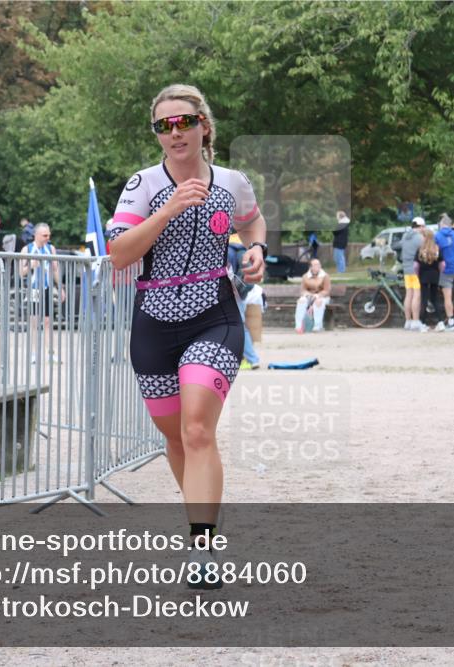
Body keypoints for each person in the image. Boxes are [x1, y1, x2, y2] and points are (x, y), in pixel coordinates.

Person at [107, 83, 266, 587]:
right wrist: (169, 208)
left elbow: (252, 219)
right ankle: (205, 514)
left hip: (212, 314)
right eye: (164, 125)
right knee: (176, 438)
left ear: (203, 127)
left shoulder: (233, 181)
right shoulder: (143, 185)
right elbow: (119, 255)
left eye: (184, 122)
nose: (175, 132)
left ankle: (201, 548)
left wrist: (255, 247)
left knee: (198, 428)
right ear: (157, 134)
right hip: (153, 319)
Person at [19, 223, 65, 364]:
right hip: (34, 288)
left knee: (47, 322)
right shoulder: (27, 249)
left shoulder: (50, 249)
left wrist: (61, 287)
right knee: (34, 322)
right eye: (45, 235)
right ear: (36, 235)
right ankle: (33, 354)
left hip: (47, 288)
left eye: (49, 235)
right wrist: (30, 266)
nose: (48, 237)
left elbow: (55, 269)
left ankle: (51, 353)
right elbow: (21, 273)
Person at [227, 231, 260, 368]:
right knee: (238, 325)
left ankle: (252, 358)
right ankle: (244, 358)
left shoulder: (227, 251)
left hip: (231, 293)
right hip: (244, 292)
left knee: (238, 326)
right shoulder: (246, 249)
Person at [417, 227, 443, 331]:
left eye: (422, 236)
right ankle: (441, 322)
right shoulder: (437, 248)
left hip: (423, 276)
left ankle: (422, 323)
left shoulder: (420, 249)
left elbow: (416, 265)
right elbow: (442, 263)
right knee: (435, 299)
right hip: (435, 276)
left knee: (424, 300)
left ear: (425, 237)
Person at [400, 218, 425, 330]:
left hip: (406, 270)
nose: (424, 229)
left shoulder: (405, 236)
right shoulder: (420, 238)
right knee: (417, 295)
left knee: (408, 294)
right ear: (419, 226)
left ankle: (408, 321)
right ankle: (415, 321)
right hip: (415, 270)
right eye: (423, 226)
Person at [295, 258, 331, 333]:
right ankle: (298, 326)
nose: (317, 266)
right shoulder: (305, 276)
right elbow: (303, 290)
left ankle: (317, 326)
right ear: (311, 267)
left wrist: (318, 295)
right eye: (315, 265)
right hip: (309, 296)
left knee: (318, 302)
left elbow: (327, 290)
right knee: (301, 301)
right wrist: (307, 294)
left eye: (318, 265)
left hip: (322, 297)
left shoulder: (325, 276)